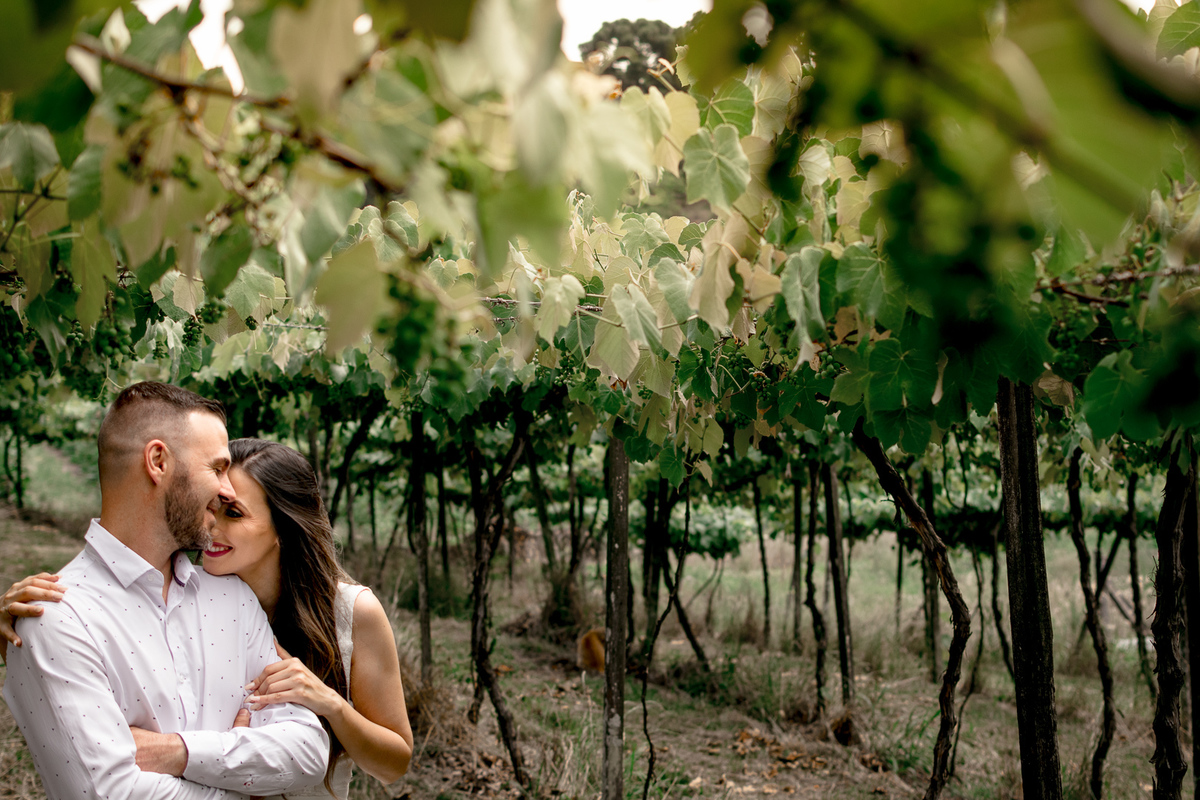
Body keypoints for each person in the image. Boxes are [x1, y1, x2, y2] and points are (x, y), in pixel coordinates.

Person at [2, 436, 414, 798]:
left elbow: (395, 764)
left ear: (283, 528)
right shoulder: (181, 596)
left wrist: (332, 706)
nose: (213, 525)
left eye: (234, 514)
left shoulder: (351, 612)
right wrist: (26, 629)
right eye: (212, 506)